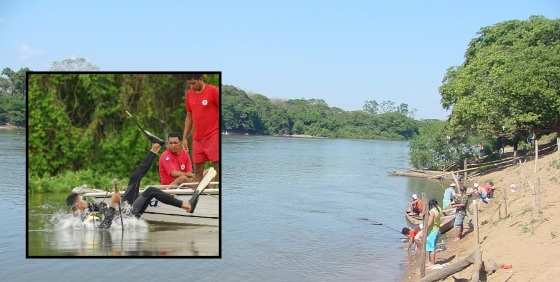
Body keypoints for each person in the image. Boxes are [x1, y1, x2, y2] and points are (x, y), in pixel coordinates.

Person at [65, 143, 199, 229]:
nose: (84, 200)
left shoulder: (89, 208)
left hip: (123, 209)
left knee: (134, 178)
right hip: (126, 217)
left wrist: (114, 201)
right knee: (151, 190)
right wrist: (113, 204)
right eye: (81, 200)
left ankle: (153, 150)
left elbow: (106, 211)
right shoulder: (85, 220)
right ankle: (187, 206)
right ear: (77, 205)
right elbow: (105, 227)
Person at [182, 74, 220, 182]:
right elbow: (189, 116)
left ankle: (217, 193)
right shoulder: (189, 94)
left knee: (217, 168)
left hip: (213, 134)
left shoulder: (213, 91)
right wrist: (184, 137)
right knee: (197, 172)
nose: (192, 86)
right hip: (197, 138)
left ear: (200, 79)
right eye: (189, 84)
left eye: (193, 83)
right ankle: (197, 197)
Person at [425, 199, 442, 268]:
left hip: (432, 231)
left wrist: (424, 228)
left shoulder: (432, 211)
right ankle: (431, 262)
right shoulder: (439, 209)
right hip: (438, 230)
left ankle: (431, 263)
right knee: (433, 247)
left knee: (430, 248)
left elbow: (430, 223)